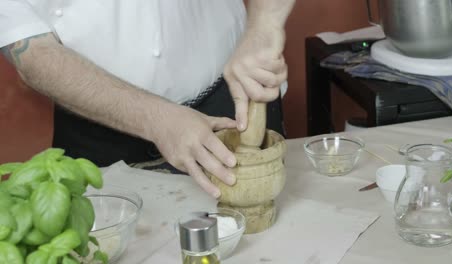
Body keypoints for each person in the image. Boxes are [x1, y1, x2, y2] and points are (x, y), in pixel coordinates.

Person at [0, 0, 295, 198]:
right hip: (97, 129)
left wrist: (263, 26)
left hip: (230, 99)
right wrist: (157, 119)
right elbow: (34, 53)